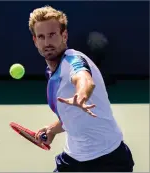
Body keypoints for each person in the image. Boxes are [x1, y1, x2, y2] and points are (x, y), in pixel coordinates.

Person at [28, 5, 134, 172]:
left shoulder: (73, 60)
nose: (47, 42)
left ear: (64, 35)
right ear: (35, 41)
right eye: (41, 37)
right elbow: (72, 116)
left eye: (52, 35)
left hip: (108, 160)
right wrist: (52, 130)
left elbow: (84, 78)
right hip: (72, 160)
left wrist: (81, 94)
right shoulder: (52, 71)